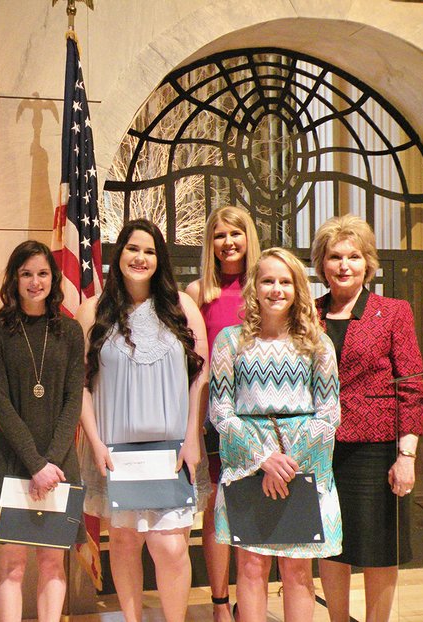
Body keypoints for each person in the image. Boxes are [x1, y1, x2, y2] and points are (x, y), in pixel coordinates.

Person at [76, 218, 208, 622]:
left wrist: (192, 438)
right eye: (133, 248)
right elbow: (79, 383)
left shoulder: (181, 307)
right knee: (123, 542)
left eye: (150, 251)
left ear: (160, 259)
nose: (141, 257)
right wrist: (95, 442)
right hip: (115, 453)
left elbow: (200, 374)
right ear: (119, 256)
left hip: (170, 452)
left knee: (170, 547)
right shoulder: (93, 310)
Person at [209, 247, 341, 622]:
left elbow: (330, 411)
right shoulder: (230, 342)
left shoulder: (317, 343)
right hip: (248, 463)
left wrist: (289, 463)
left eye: (285, 281)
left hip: (303, 465)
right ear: (255, 286)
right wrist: (262, 459)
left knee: (297, 570)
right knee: (251, 566)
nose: (276, 289)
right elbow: (220, 409)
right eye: (268, 280)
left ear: (298, 288)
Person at [311, 215, 423, 622]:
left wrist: (406, 456)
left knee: (380, 549)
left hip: (377, 450)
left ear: (367, 263)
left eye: (353, 256)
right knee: (330, 545)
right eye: (335, 256)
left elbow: (410, 387)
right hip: (321, 449)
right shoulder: (308, 314)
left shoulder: (393, 312)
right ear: (321, 263)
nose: (344, 265)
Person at [0, 240, 85, 622]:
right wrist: (34, 464)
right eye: (26, 273)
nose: (35, 282)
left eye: (42, 273)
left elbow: (74, 400)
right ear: (14, 279)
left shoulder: (70, 331)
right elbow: (0, 402)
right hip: (11, 457)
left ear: (53, 279)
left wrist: (50, 463)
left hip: (58, 465)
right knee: (11, 563)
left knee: (53, 561)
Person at [186, 205, 260, 622]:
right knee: (217, 509)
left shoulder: (266, 287)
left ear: (249, 237)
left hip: (260, 415)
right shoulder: (199, 293)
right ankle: (218, 602)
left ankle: (250, 599)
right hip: (216, 416)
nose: (228, 242)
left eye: (236, 233)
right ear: (210, 244)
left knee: (252, 505)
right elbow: (192, 364)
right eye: (219, 235)